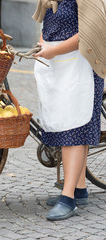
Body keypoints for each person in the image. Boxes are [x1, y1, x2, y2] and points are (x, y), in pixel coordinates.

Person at [32, 0, 106, 221]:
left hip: (80, 65)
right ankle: (79, 189)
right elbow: (47, 24)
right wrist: (44, 44)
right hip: (59, 64)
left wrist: (54, 50)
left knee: (73, 129)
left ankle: (68, 199)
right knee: (69, 126)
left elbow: (91, 32)